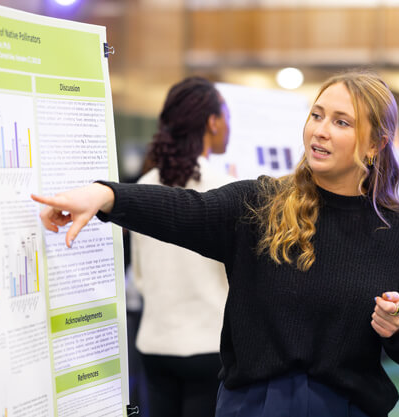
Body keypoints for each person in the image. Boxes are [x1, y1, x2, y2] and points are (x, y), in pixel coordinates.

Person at [32, 70, 399, 417]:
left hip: (347, 408)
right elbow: (187, 210)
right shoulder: (262, 204)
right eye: (317, 115)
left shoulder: (395, 231)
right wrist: (107, 197)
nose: (320, 130)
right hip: (254, 407)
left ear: (376, 144)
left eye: (342, 122)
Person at [130, 76, 233, 417]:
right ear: (212, 122)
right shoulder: (226, 187)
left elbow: (140, 277)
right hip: (211, 348)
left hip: (156, 344)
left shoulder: (143, 186)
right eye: (226, 116)